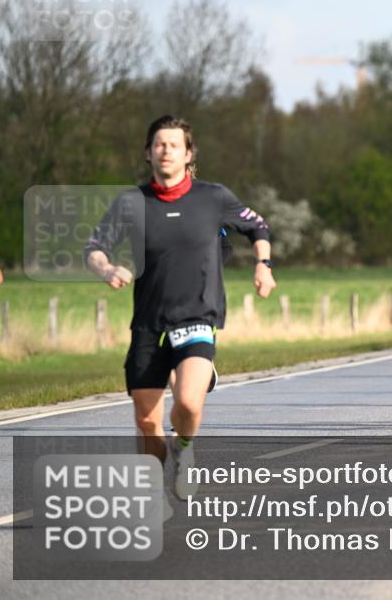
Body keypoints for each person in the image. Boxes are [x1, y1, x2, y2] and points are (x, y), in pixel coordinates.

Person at [85, 115, 275, 504]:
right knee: (147, 423)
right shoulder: (131, 203)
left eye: (174, 144)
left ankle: (185, 447)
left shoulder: (214, 197)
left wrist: (263, 265)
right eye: (159, 144)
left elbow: (258, 227)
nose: (166, 150)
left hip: (198, 318)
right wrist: (106, 268)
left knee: (188, 402)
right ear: (147, 153)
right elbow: (94, 246)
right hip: (149, 323)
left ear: (188, 154)